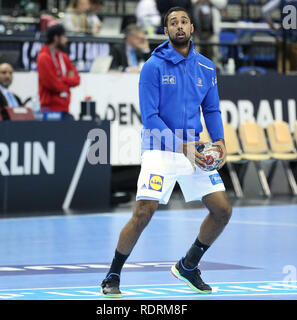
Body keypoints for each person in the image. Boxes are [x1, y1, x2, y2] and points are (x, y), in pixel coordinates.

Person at [101, 6, 231, 298]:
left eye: (184, 21)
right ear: (166, 31)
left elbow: (210, 109)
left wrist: (220, 140)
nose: (179, 26)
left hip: (193, 148)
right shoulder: (153, 66)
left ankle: (188, 265)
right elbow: (150, 119)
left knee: (222, 210)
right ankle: (112, 274)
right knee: (143, 212)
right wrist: (181, 146)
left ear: (192, 28)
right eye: (173, 22)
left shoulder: (207, 68)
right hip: (160, 148)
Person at [36, 24, 80, 120]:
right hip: (48, 109)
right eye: (64, 36)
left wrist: (61, 79)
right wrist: (67, 80)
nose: (66, 40)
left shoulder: (63, 57)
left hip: (65, 108)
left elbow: (77, 80)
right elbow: (53, 85)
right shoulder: (43, 57)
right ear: (56, 38)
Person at [192, 0, 227, 69]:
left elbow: (222, 4)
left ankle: (214, 73)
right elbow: (192, 2)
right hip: (197, 31)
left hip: (212, 31)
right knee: (196, 55)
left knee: (214, 54)